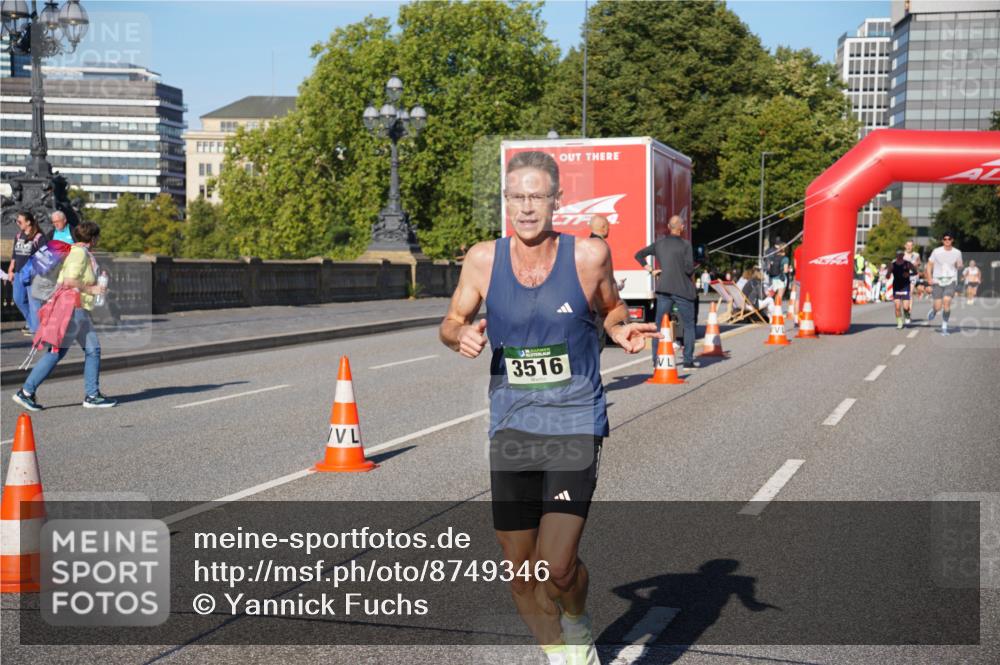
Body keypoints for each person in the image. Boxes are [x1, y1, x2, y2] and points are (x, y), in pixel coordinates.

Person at [439, 151, 657, 665]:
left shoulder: (586, 257)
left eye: (538, 196)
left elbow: (610, 307)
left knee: (557, 566)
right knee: (521, 572)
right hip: (512, 426)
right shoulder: (482, 260)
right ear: (506, 202)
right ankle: (562, 656)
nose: (527, 207)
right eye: (517, 196)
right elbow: (450, 319)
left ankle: (577, 620)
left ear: (557, 201)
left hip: (575, 420)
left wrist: (620, 328)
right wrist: (459, 335)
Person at [12, 221, 117, 411]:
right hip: (74, 308)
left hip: (71, 308)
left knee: (58, 352)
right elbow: (69, 281)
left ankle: (27, 391)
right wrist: (93, 288)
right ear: (92, 239)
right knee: (91, 350)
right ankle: (91, 396)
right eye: (97, 237)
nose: (98, 240)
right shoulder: (80, 254)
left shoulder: (75, 251)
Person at [635, 215, 699, 370]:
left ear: (669, 227)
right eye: (683, 226)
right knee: (689, 325)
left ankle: (657, 360)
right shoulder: (686, 245)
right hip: (683, 290)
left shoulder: (659, 244)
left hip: (664, 290)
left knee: (659, 325)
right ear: (681, 227)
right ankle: (688, 361)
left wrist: (651, 270)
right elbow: (689, 269)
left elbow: (638, 255)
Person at [7, 211, 45, 335]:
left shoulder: (39, 237)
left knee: (34, 303)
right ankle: (33, 323)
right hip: (18, 272)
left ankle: (36, 330)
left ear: (28, 222)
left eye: (20, 221)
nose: (18, 223)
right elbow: (15, 254)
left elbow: (44, 256)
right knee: (18, 299)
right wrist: (10, 269)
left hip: (32, 275)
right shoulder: (19, 235)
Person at [926, 232, 963, 335]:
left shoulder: (957, 252)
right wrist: (929, 278)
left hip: (951, 280)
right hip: (937, 281)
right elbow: (929, 265)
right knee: (938, 307)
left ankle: (944, 326)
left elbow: (959, 265)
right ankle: (934, 311)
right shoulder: (936, 251)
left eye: (949, 239)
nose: (947, 241)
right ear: (942, 240)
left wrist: (958, 265)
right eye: (945, 239)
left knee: (946, 302)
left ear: (952, 240)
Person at [889, 249, 917, 329]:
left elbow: (915, 272)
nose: (900, 256)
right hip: (897, 287)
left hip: (905, 286)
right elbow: (888, 275)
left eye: (901, 254)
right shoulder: (892, 264)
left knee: (905, 307)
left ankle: (907, 314)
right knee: (897, 306)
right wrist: (888, 272)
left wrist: (908, 274)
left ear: (903, 255)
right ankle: (899, 322)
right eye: (898, 255)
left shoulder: (907, 264)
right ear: (896, 256)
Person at [902, 240, 921, 323]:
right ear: (905, 246)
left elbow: (919, 263)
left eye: (911, 245)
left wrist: (916, 265)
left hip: (913, 275)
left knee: (910, 293)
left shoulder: (916, 255)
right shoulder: (901, 255)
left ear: (912, 246)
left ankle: (908, 314)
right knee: (905, 295)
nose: (909, 247)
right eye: (908, 245)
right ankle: (906, 310)